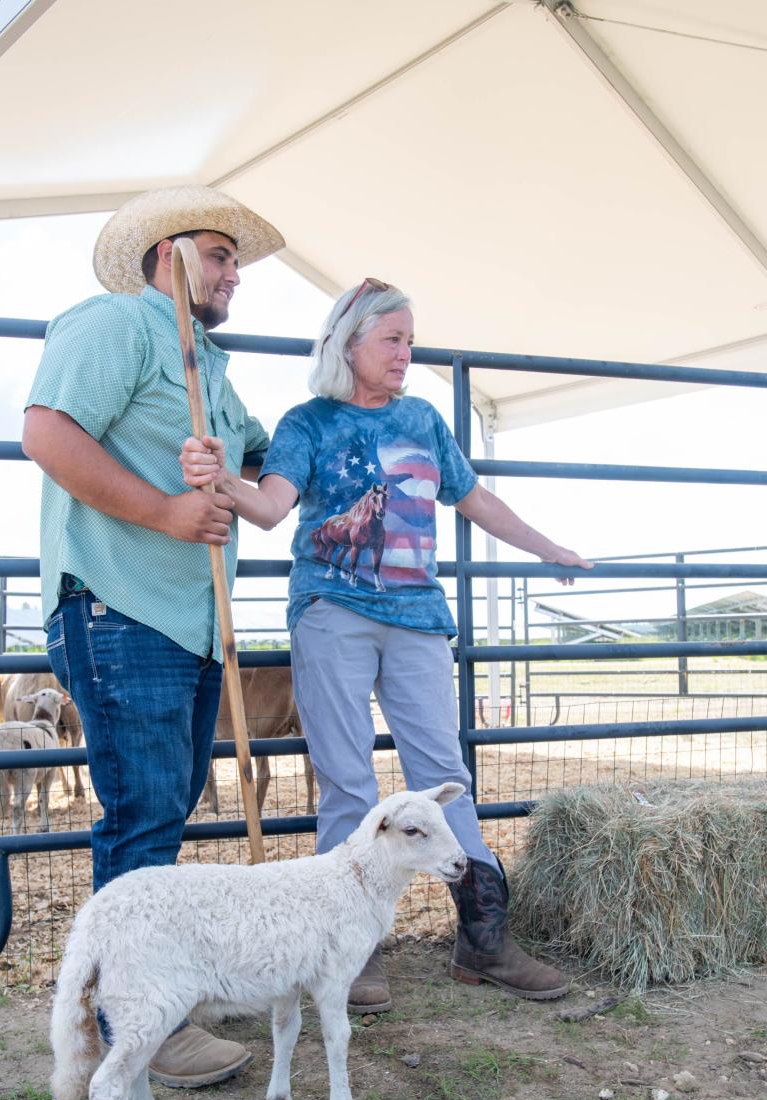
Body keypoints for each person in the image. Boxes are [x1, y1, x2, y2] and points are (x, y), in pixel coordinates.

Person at [180, 278, 592, 1013]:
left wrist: (544, 545)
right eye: (392, 340)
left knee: (443, 767)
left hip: (416, 615)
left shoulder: (425, 420)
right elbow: (273, 506)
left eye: (409, 340)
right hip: (332, 611)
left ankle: (482, 932)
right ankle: (349, 948)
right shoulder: (307, 423)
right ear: (349, 344)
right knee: (346, 777)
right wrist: (222, 480)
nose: (406, 353)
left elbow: (474, 496)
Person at [22, 185, 284, 1085]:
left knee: (165, 804)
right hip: (121, 604)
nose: (234, 273)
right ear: (166, 256)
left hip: (188, 621)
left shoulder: (207, 366)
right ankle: (141, 1019)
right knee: (144, 813)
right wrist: (170, 512)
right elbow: (48, 433)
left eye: (234, 260)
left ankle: (138, 1001)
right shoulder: (115, 327)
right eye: (219, 255)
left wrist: (253, 465)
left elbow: (258, 454)